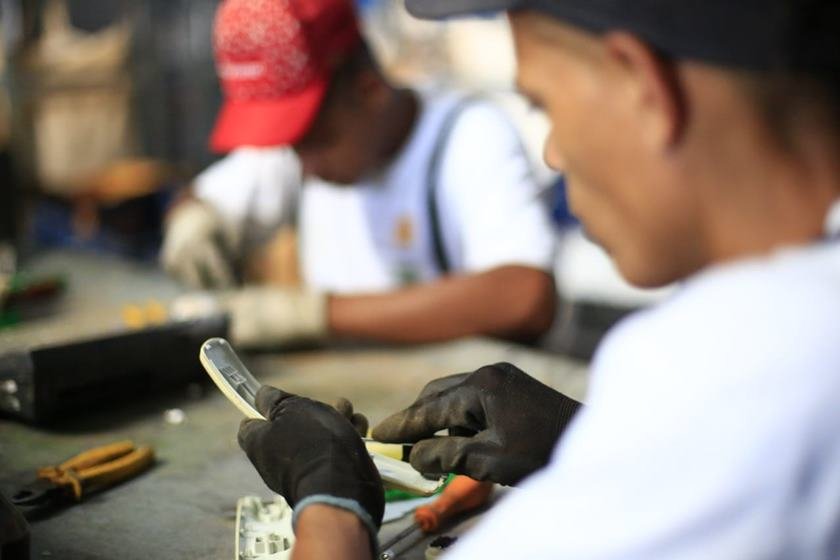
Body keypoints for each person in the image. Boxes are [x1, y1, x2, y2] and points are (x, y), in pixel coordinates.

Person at [236, 0, 840, 558]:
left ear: (642, 87)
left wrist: (330, 507)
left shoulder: (751, 375)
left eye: (544, 104)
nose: (551, 153)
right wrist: (593, 442)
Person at [160, 0, 557, 348]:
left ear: (370, 90)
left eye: (321, 141)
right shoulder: (302, 151)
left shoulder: (467, 136)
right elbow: (201, 197)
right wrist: (193, 221)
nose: (307, 166)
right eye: (294, 148)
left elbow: (526, 296)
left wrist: (314, 314)